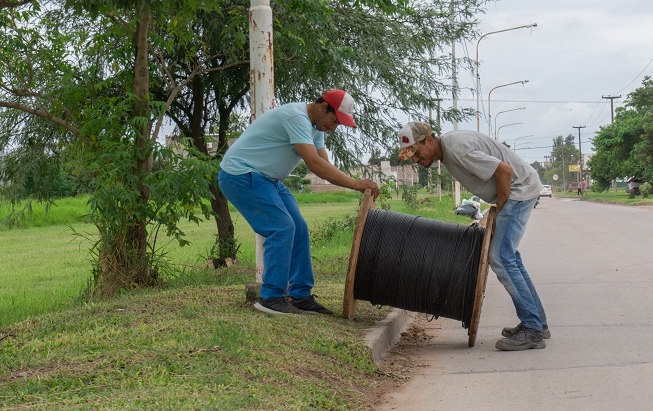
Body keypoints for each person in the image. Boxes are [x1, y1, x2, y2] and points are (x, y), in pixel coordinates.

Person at [218, 90, 378, 315]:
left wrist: (355, 184)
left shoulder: (315, 126)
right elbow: (314, 164)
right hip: (242, 175)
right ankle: (271, 297)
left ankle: (300, 295)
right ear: (322, 107)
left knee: (298, 228)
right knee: (281, 228)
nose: (335, 127)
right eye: (335, 120)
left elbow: (325, 164)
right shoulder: (297, 117)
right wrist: (356, 183)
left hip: (268, 179)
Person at [397, 122, 549, 351]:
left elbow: (504, 171)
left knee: (500, 257)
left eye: (416, 153)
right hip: (521, 188)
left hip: (519, 190)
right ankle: (537, 322)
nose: (415, 161)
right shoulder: (449, 150)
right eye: (411, 157)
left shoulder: (456, 148)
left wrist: (499, 209)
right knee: (509, 257)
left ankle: (532, 329)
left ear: (429, 140)